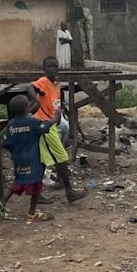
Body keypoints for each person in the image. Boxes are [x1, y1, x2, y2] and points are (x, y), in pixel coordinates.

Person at [26, 56, 86, 203]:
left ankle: (37, 194)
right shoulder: (44, 82)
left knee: (42, 160)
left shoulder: (58, 87)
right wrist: (36, 100)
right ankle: (69, 191)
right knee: (61, 156)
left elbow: (57, 108)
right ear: (44, 69)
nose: (53, 68)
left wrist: (56, 120)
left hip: (50, 126)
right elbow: (29, 88)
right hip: (43, 125)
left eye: (55, 66)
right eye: (50, 66)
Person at [0, 95, 58, 221]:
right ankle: (31, 212)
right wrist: (55, 118)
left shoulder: (11, 124)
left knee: (18, 182)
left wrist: (15, 151)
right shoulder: (32, 122)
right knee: (36, 184)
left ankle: (1, 203)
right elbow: (45, 127)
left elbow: (6, 143)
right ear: (26, 108)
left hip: (18, 159)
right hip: (33, 158)